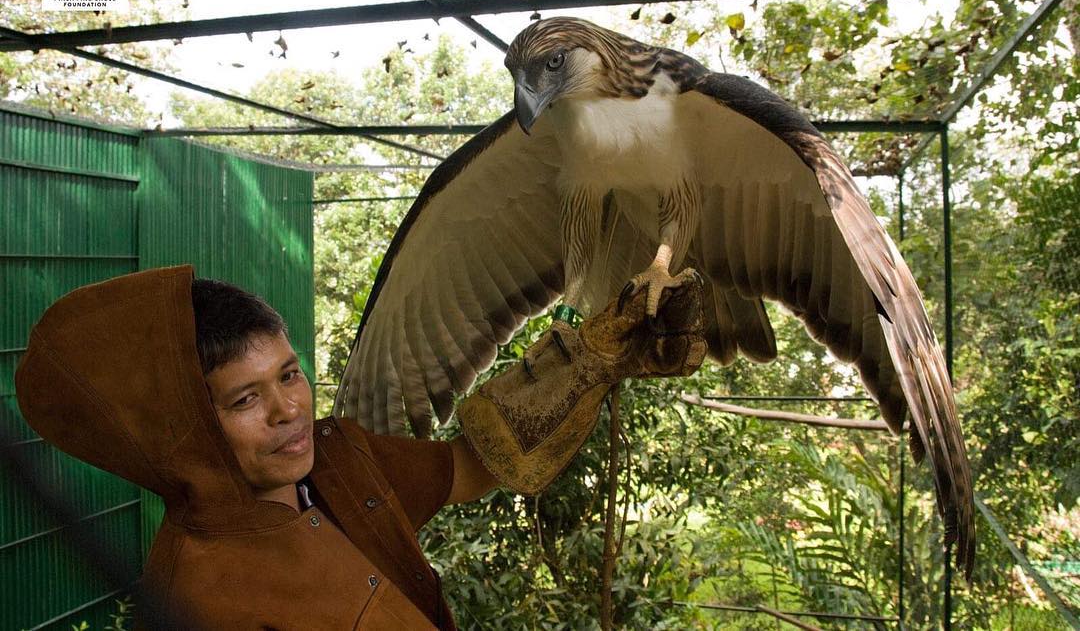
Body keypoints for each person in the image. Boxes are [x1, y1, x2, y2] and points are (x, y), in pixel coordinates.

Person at [15, 265, 706, 629]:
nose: (289, 408)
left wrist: (587, 361)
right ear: (191, 432)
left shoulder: (339, 458)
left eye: (289, 374)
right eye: (245, 398)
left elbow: (470, 465)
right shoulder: (197, 591)